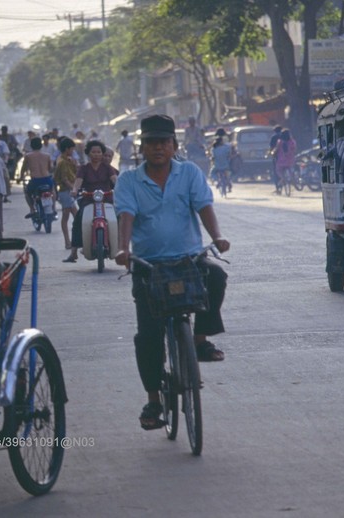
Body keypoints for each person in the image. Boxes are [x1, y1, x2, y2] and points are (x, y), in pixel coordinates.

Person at [114, 114, 230, 430]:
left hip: (188, 260)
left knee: (217, 276)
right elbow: (126, 216)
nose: (158, 148)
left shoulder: (189, 173)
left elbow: (204, 206)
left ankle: (200, 339)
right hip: (148, 266)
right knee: (148, 336)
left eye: (163, 142)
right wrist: (123, 250)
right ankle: (153, 401)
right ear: (142, 147)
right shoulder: (128, 181)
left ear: (173, 145)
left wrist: (216, 237)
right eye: (151, 142)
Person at [63, 140, 118, 262]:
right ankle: (74, 252)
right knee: (78, 220)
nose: (96, 154)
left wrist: (121, 189)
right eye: (93, 152)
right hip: (88, 200)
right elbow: (78, 181)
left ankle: (120, 247)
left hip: (107, 200)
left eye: (99, 152)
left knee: (118, 218)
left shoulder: (108, 168)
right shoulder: (84, 168)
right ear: (88, 153)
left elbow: (115, 180)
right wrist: (74, 190)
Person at [19, 137, 54, 218]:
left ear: (31, 146)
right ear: (41, 145)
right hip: (46, 179)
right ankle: (53, 208)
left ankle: (32, 209)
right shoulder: (47, 156)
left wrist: (21, 177)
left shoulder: (28, 156)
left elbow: (23, 168)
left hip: (35, 181)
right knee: (53, 191)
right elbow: (51, 168)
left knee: (27, 193)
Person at [54, 138, 79, 250]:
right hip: (66, 191)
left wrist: (75, 164)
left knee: (76, 216)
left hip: (69, 191)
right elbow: (64, 179)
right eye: (72, 148)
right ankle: (68, 242)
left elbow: (75, 173)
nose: (73, 150)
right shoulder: (62, 161)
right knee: (66, 216)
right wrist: (74, 189)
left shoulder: (67, 160)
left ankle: (75, 241)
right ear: (67, 149)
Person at [268, 125, 283, 193]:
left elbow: (271, 147)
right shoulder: (285, 136)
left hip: (277, 157)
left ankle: (277, 188)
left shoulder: (274, 137)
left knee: (276, 172)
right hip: (287, 157)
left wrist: (270, 153)